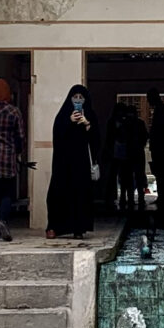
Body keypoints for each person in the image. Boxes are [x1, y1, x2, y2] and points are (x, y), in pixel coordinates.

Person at [46, 85, 98, 239]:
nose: (78, 101)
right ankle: (54, 227)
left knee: (80, 194)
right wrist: (69, 121)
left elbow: (96, 140)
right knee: (58, 192)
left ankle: (78, 228)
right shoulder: (62, 115)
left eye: (81, 98)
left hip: (81, 164)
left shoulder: (90, 115)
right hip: (63, 163)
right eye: (75, 98)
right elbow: (58, 135)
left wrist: (87, 124)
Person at [0, 74, 26, 235]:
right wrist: (19, 152)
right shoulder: (14, 111)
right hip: (8, 157)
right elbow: (20, 136)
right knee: (7, 193)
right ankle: (3, 220)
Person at [147, 92, 164, 224]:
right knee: (160, 173)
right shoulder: (159, 109)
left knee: (163, 173)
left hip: (160, 147)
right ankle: (163, 197)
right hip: (158, 146)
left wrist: (161, 136)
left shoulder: (161, 109)